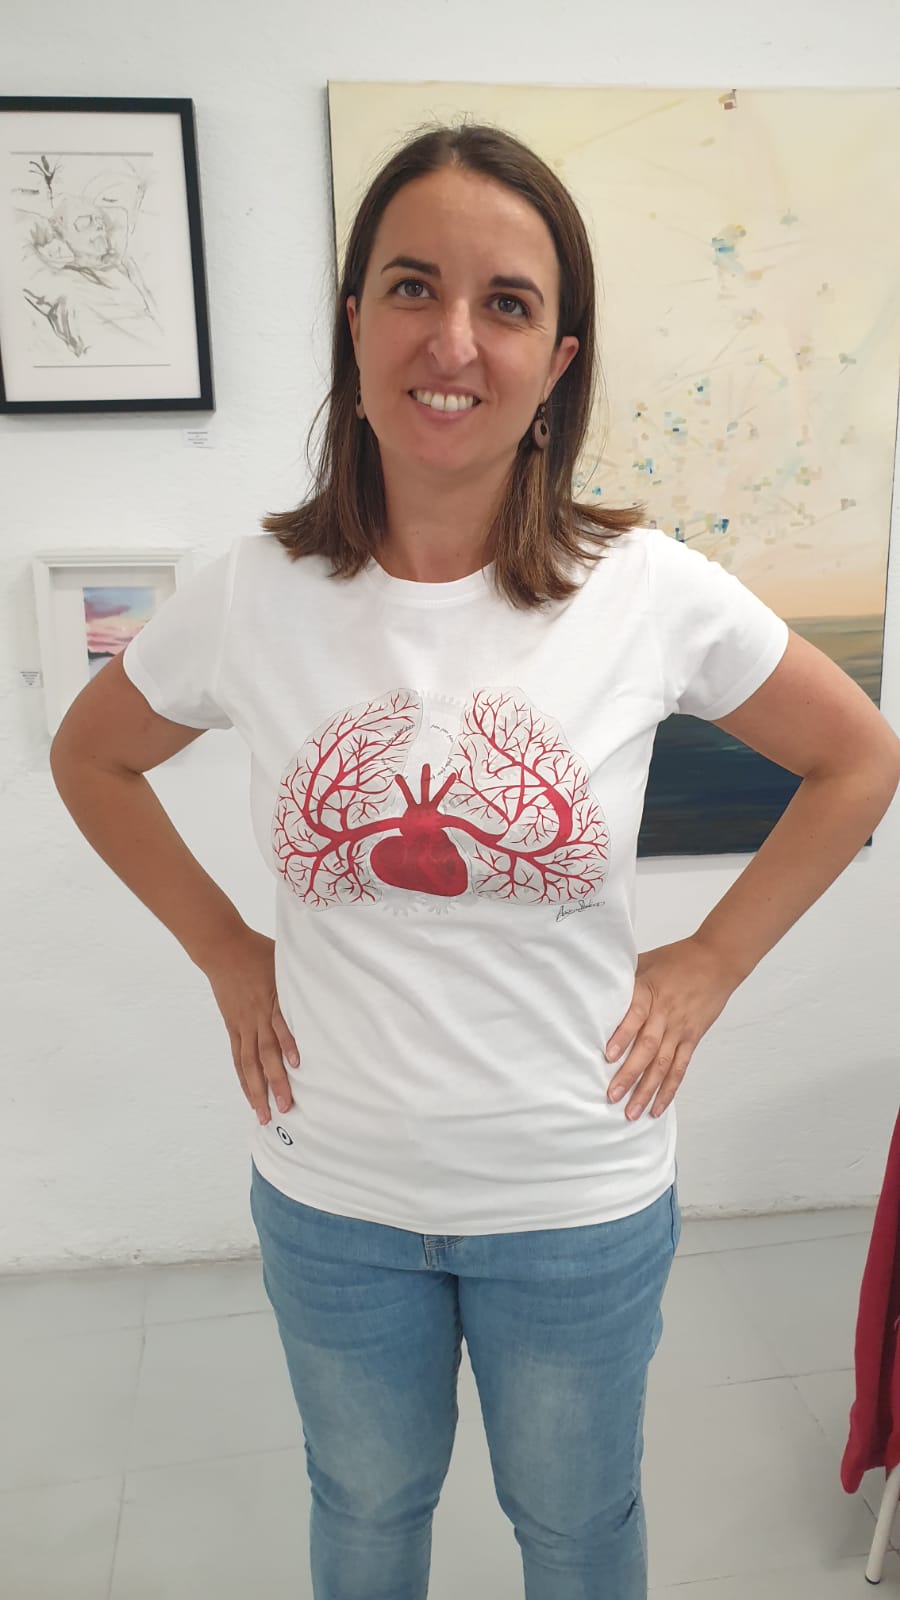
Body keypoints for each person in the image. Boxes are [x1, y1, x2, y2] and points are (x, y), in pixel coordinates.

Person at [49, 123, 900, 1600]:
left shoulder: (647, 593)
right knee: (365, 1511)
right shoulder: (257, 592)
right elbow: (92, 756)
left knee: (575, 1531)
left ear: (558, 358)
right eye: (411, 287)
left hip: (573, 1194)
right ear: (353, 322)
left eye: (505, 303)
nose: (452, 342)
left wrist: (711, 962)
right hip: (331, 1188)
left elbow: (859, 757)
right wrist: (227, 950)